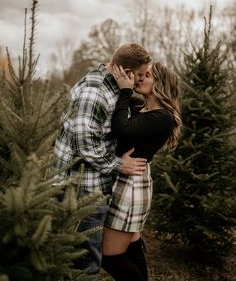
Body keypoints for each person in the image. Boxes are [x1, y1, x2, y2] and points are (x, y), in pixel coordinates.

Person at [54, 43, 152, 279]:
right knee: (86, 262)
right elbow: (85, 144)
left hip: (94, 184)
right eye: (139, 74)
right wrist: (120, 165)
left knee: (89, 254)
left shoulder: (114, 87)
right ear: (126, 71)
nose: (140, 81)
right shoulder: (94, 91)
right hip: (81, 188)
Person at [101, 61, 182, 281]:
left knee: (109, 257)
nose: (140, 78)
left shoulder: (161, 117)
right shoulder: (144, 108)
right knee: (132, 245)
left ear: (160, 84)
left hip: (132, 184)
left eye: (147, 75)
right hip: (128, 178)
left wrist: (126, 90)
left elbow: (121, 129)